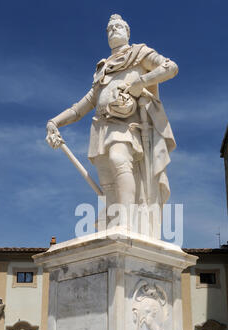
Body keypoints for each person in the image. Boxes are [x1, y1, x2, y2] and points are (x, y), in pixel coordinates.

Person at [46, 14, 178, 237]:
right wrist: (54, 122)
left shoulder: (139, 54)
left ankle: (126, 223)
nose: (114, 30)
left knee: (120, 159)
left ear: (128, 32)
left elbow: (170, 67)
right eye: (110, 29)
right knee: (107, 182)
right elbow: (82, 106)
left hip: (128, 125)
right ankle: (115, 221)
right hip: (101, 128)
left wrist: (141, 82)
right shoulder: (103, 69)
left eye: (118, 26)